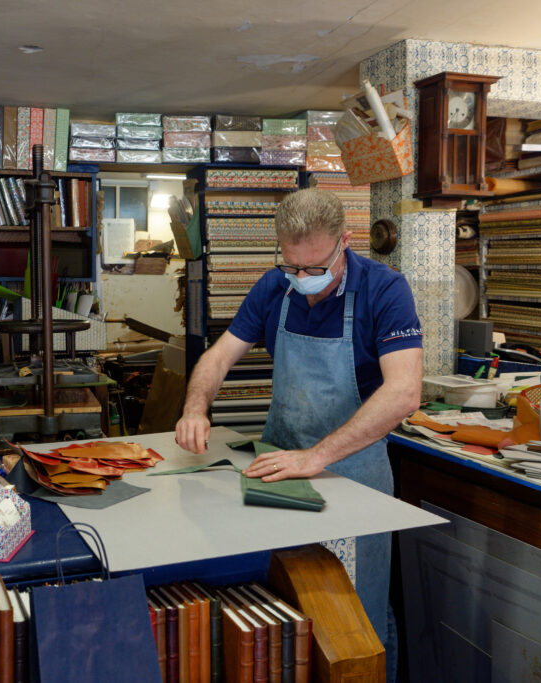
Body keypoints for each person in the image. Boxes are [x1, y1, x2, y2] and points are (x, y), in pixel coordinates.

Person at [175, 189, 423, 674]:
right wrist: (195, 407)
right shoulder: (274, 287)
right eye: (293, 268)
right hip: (280, 474)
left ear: (345, 243)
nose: (303, 279)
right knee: (287, 609)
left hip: (354, 478)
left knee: (355, 618)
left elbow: (403, 394)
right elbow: (219, 355)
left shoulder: (385, 290)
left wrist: (315, 457)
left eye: (315, 268)